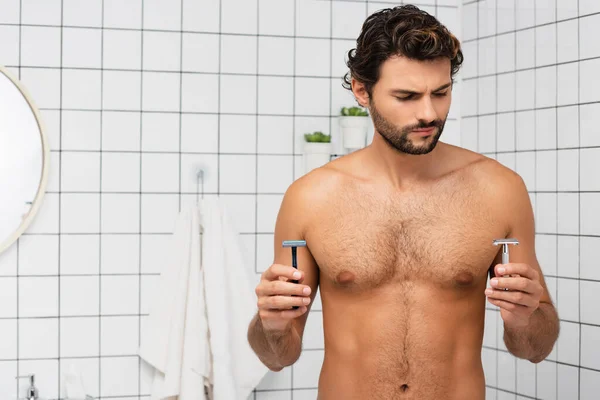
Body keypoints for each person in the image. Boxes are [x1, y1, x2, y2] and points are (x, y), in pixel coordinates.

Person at [246, 4, 560, 399]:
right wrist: (271, 325)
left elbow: (535, 348)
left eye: (441, 93)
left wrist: (524, 318)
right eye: (407, 96)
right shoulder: (310, 198)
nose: (428, 112)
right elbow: (278, 356)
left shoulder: (500, 190)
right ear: (362, 90)